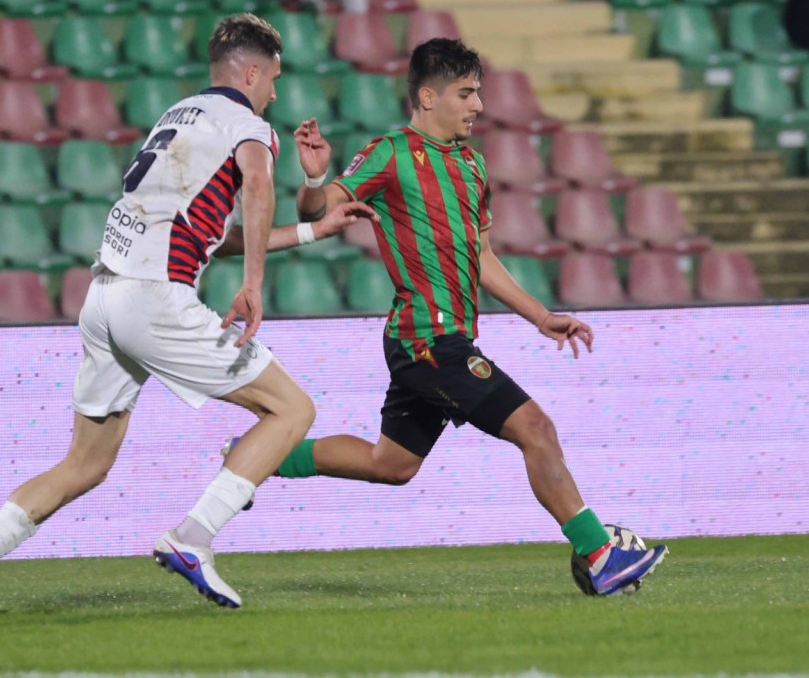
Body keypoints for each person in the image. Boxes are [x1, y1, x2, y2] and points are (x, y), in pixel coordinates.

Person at [0, 12, 376, 621]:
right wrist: (252, 287)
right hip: (155, 298)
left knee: (86, 463)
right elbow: (258, 187)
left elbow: (212, 233)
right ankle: (194, 537)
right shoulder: (250, 127)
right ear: (251, 73)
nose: (274, 91)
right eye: (273, 78)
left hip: (105, 296)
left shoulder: (177, 116)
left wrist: (312, 231)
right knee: (292, 410)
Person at [244, 37, 668, 596]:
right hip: (426, 339)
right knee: (536, 429)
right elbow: (321, 211)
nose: (478, 106)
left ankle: (254, 458)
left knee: (392, 464)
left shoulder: (472, 165)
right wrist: (316, 180)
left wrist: (540, 317)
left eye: (478, 93)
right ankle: (599, 553)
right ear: (428, 96)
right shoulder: (390, 152)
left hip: (443, 338)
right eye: (466, 93)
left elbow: (481, 256)